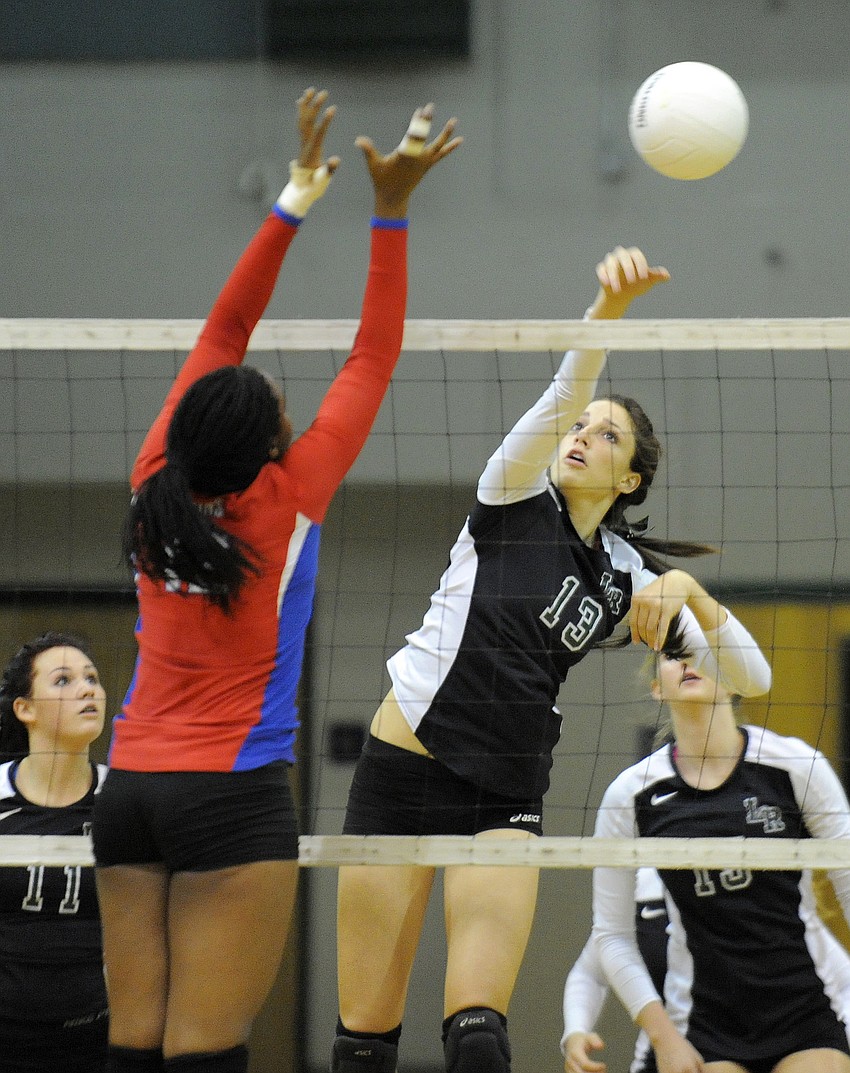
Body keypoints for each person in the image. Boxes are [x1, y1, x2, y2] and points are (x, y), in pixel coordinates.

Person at [90, 88, 462, 1073]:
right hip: (231, 792)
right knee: (204, 1052)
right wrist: (389, 210)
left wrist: (294, 195)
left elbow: (224, 328)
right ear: (270, 442)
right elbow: (372, 352)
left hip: (128, 788)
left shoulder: (151, 480)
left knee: (134, 1046)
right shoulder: (289, 500)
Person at [332, 247, 773, 1073]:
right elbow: (562, 391)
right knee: (365, 1040)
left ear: (632, 475)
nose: (582, 437)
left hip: (504, 790)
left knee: (479, 1039)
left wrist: (692, 594)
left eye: (606, 436)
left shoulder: (629, 576)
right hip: (403, 768)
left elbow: (753, 680)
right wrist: (606, 309)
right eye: (582, 428)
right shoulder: (512, 496)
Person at [591, 621, 850, 1073]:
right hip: (706, 1021)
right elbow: (612, 936)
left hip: (805, 1008)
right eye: (674, 654)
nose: (689, 661)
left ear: (734, 675)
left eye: (705, 651)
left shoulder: (795, 766)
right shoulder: (631, 794)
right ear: (657, 688)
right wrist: (663, 1038)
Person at [0, 631, 108, 1073]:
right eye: (63, 680)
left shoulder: (124, 798)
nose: (88, 689)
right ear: (24, 709)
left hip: (99, 1038)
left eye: (93, 678)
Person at [562, 868, 669, 1073]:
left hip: (739, 1050)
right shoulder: (646, 889)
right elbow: (590, 972)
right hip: (659, 1060)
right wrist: (576, 1031)